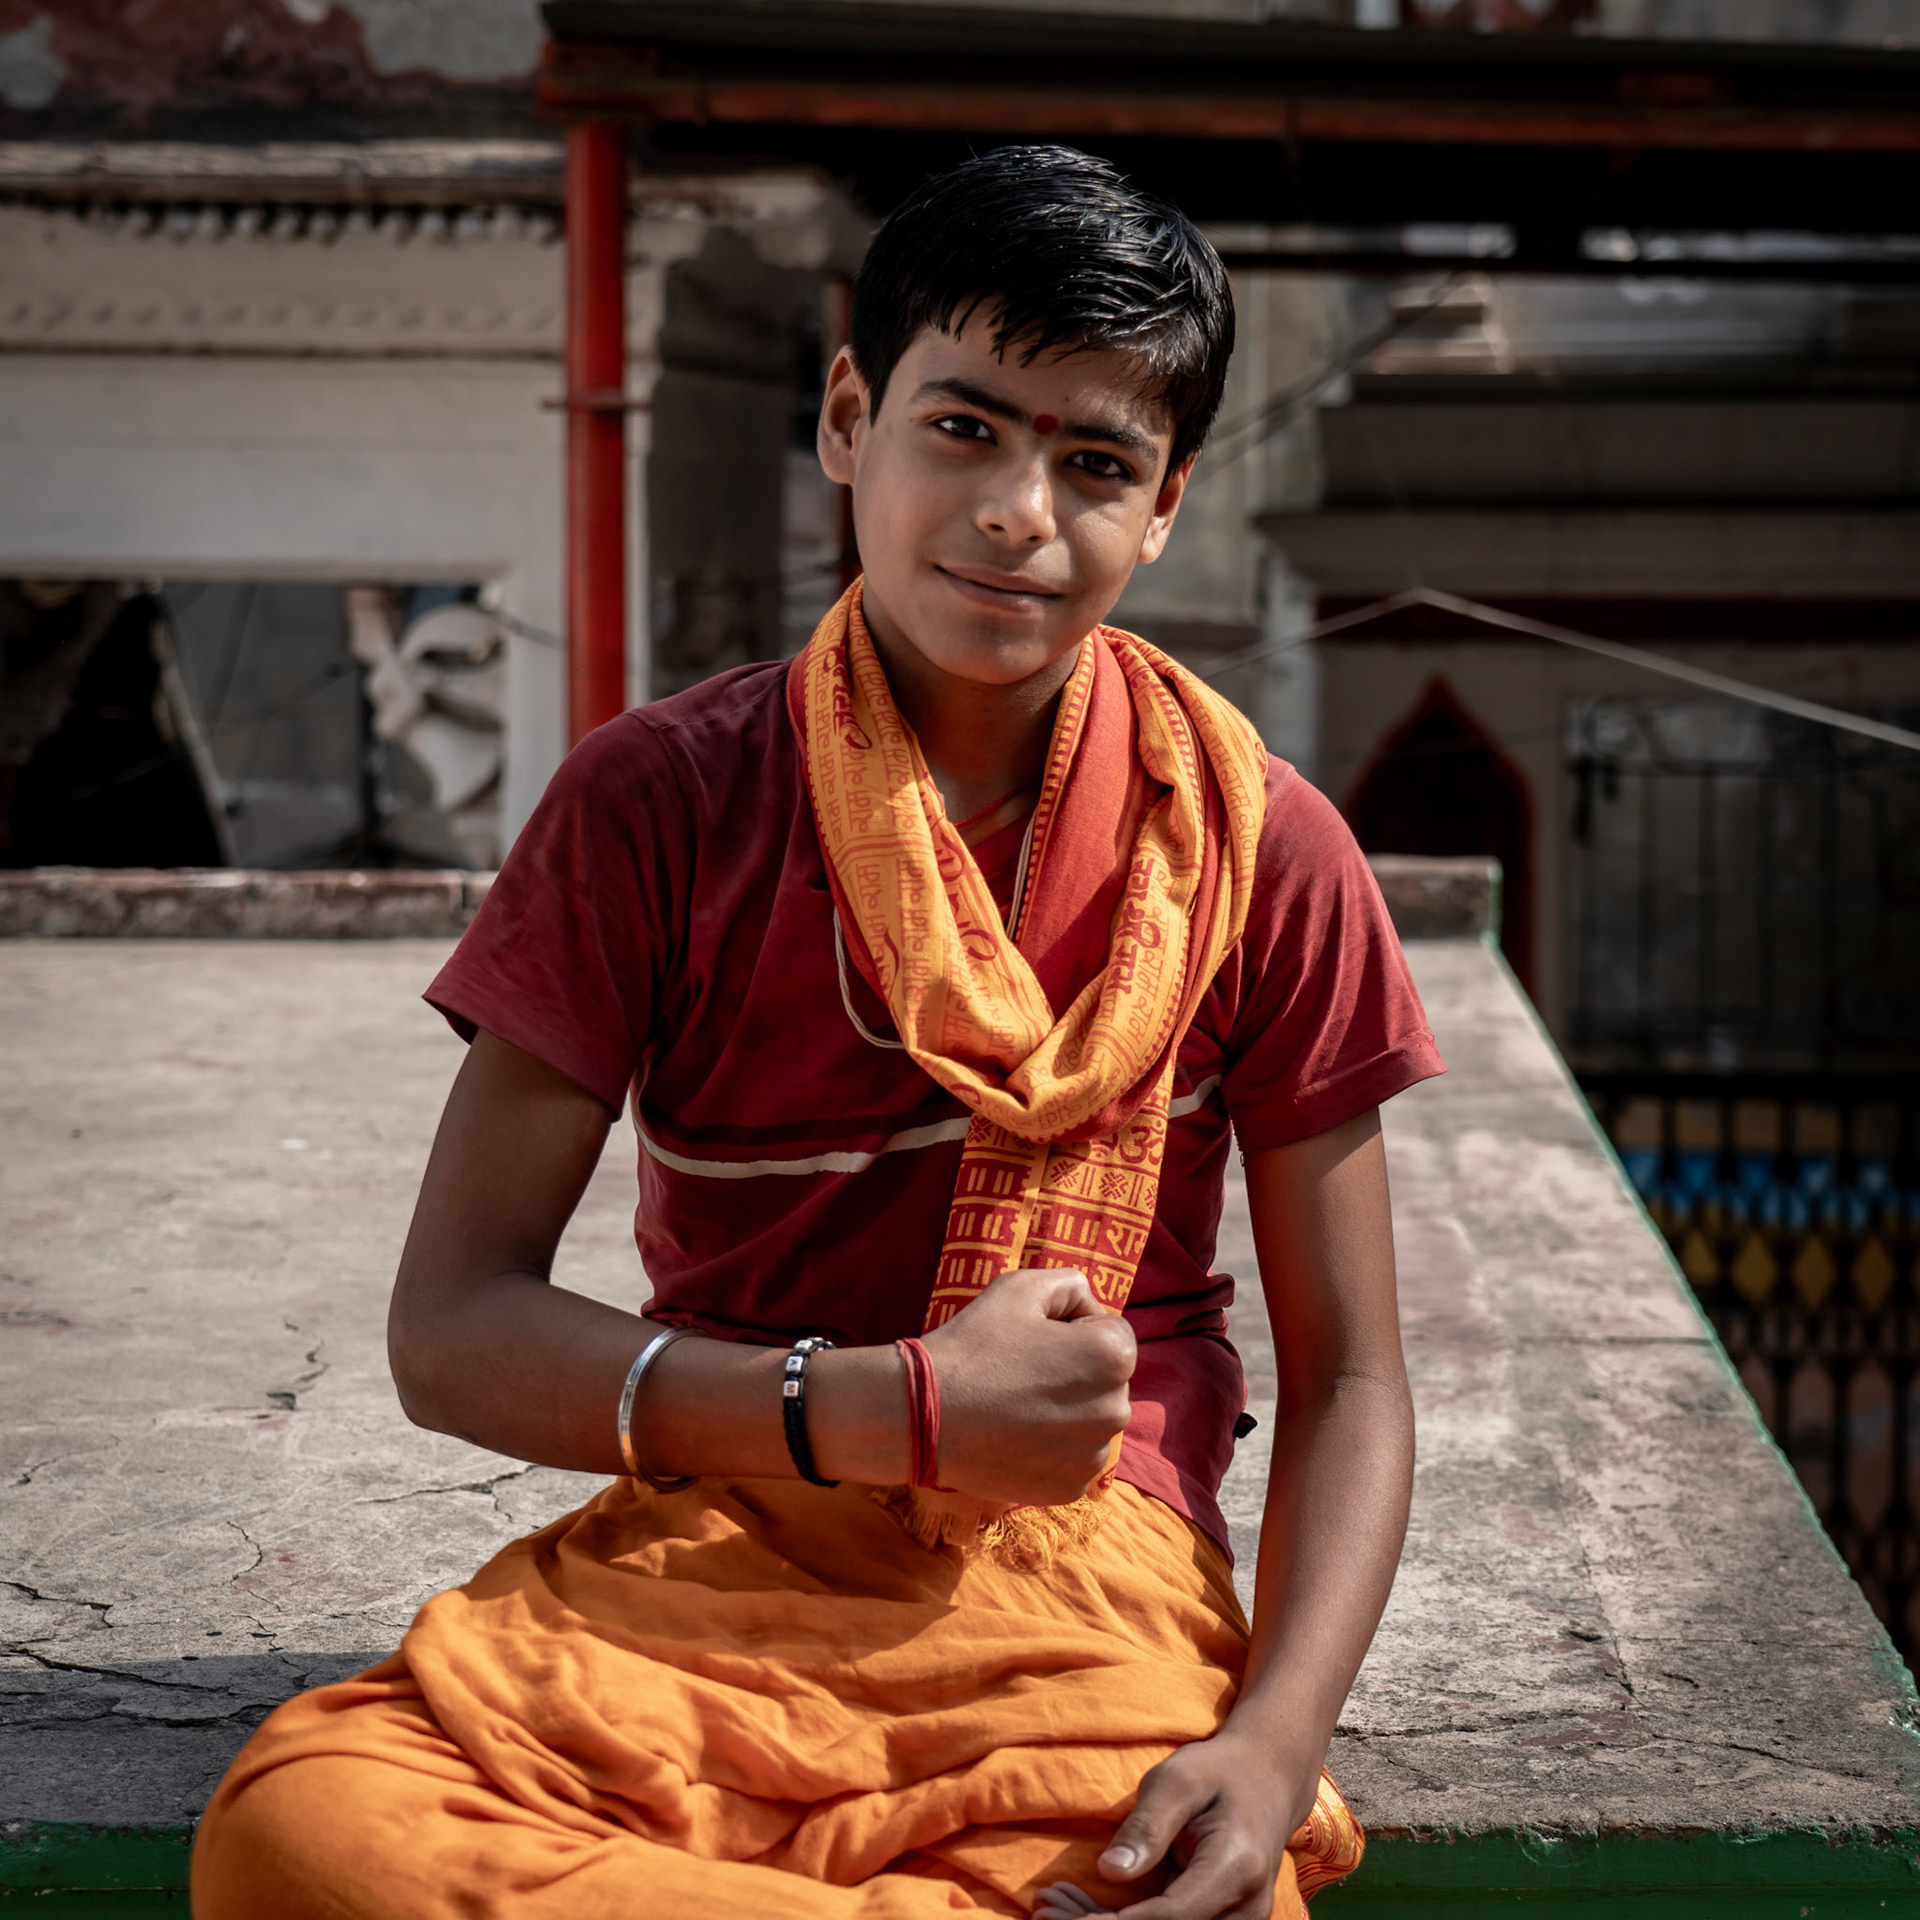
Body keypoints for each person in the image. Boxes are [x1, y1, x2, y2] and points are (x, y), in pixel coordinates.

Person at [192, 145, 1442, 1920]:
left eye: (1097, 464)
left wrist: (1276, 1740)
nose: (1021, 511)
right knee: (304, 1834)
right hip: (723, 1522)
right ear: (850, 415)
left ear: (1164, 510)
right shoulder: (663, 805)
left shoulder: (1258, 847)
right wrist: (881, 1411)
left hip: (1080, 1589)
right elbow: (452, 1327)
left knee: (1163, 1887)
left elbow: (1351, 1382)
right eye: (966, 427)